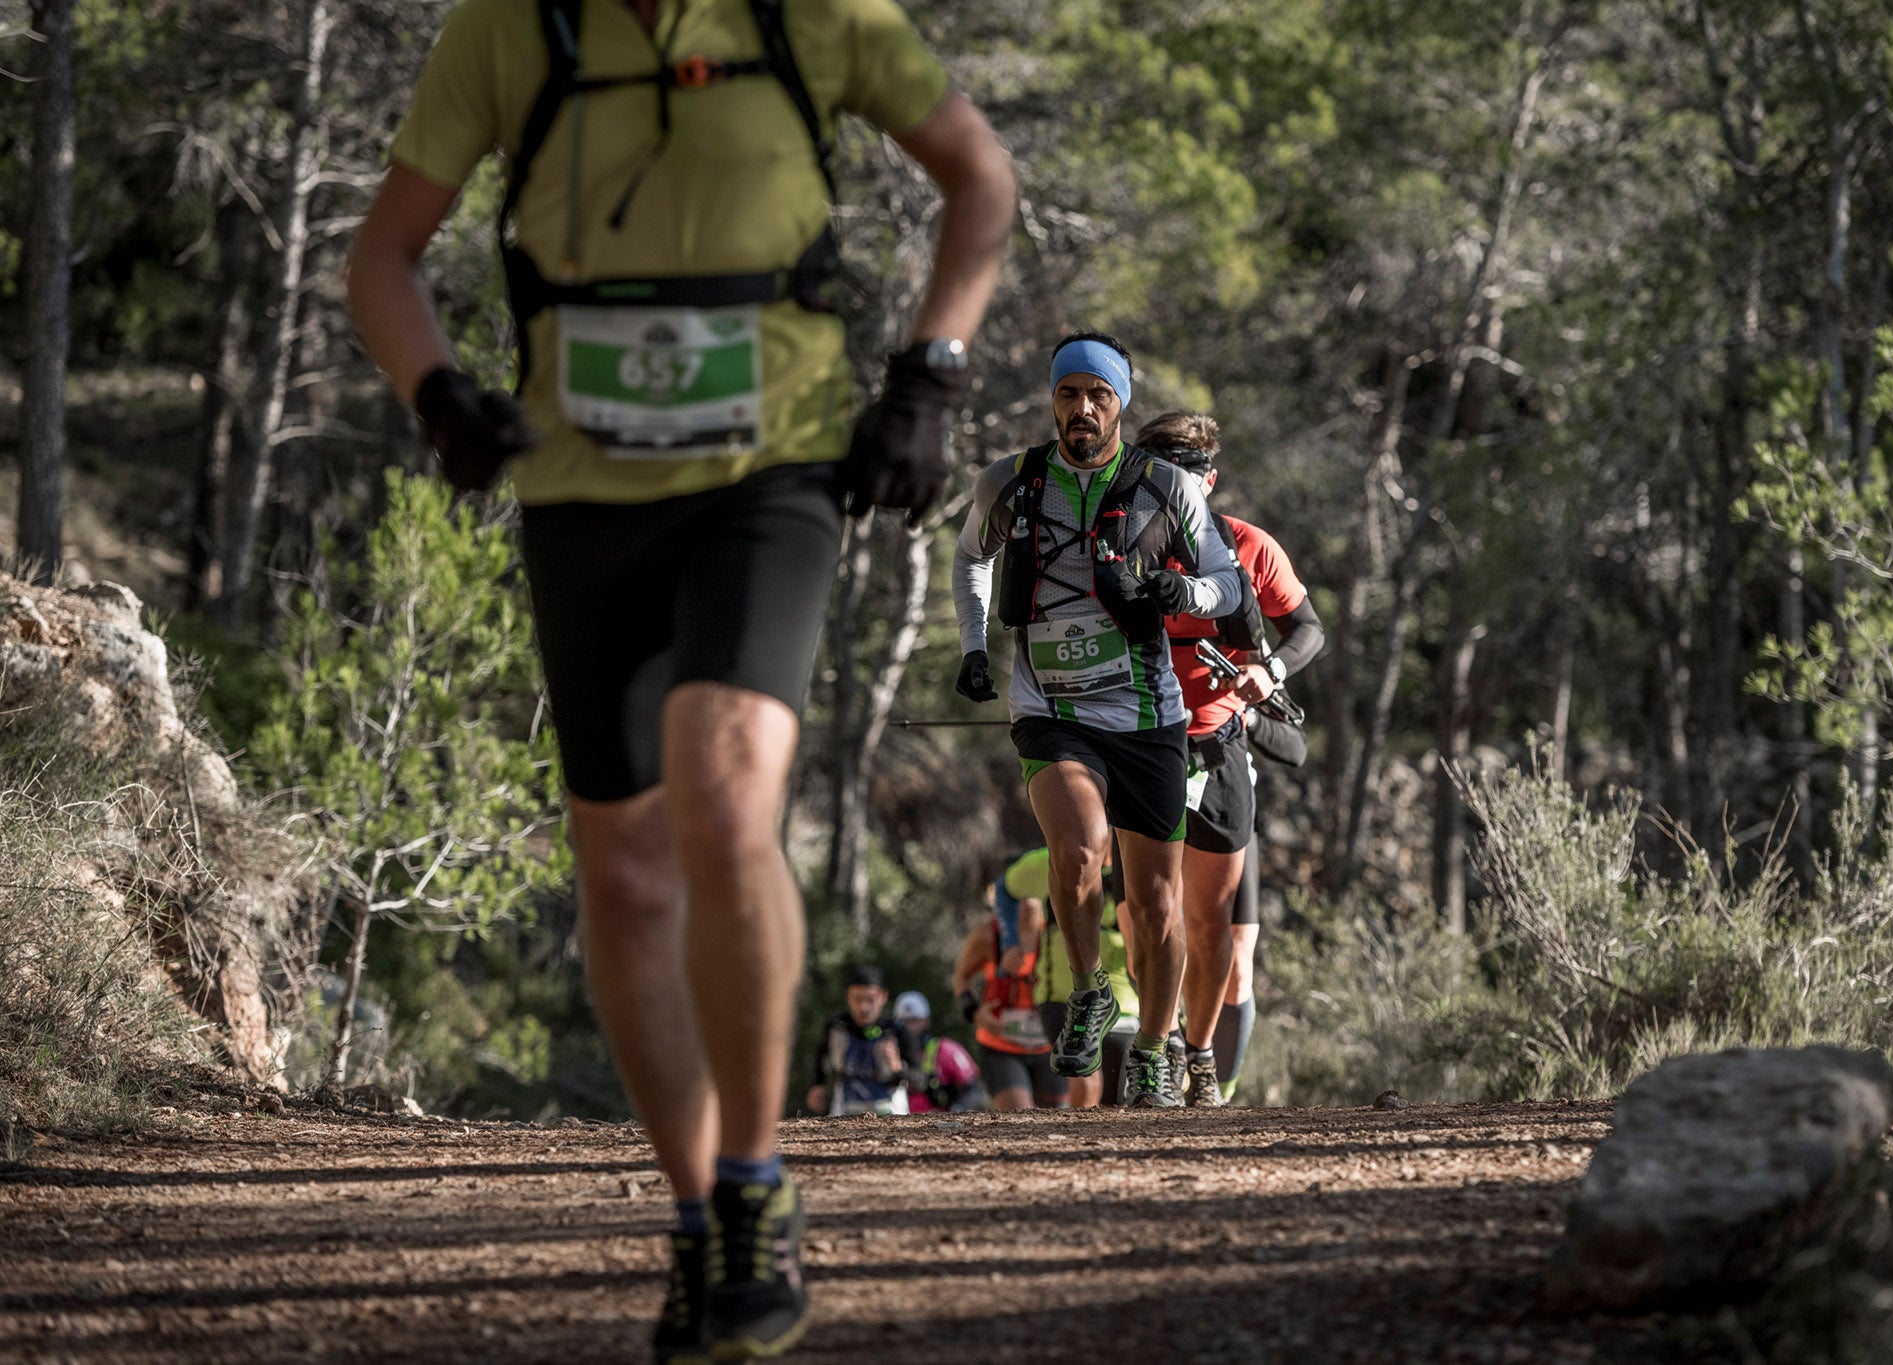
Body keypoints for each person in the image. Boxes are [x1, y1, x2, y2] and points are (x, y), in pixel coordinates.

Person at [346, 0, 1016, 1357]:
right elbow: (384, 257)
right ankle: (699, 1207)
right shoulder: (508, 29)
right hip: (581, 489)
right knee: (629, 869)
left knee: (722, 803)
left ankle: (759, 1184)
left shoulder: (812, 13)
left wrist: (932, 375)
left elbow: (978, 176)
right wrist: (436, 394)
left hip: (769, 477)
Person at [951, 332, 1241, 1108]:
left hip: (1148, 714)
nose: (1082, 409)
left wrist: (1187, 597)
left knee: (1155, 904)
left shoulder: (1167, 488)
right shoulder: (1009, 483)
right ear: (1053, 399)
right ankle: (1086, 990)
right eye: (1069, 393)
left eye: (1099, 395)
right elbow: (970, 557)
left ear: (1121, 403)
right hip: (1050, 705)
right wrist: (974, 645)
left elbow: (1227, 582)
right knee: (1077, 850)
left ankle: (1154, 1045)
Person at [1137, 412, 1325, 1107]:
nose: (1167, 499)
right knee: (1149, 914)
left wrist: (1268, 672)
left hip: (1218, 745)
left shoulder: (1247, 545)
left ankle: (1200, 1054)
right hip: (1140, 741)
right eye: (1156, 483)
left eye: (1182, 485)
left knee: (1211, 922)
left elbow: (1308, 628)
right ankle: (1151, 1052)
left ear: (1208, 482)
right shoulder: (1121, 547)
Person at [1014, 849, 1141, 1108]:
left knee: (1114, 1103)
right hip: (1063, 998)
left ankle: (1093, 1145)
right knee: (1082, 1072)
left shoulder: (1136, 867)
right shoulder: (1045, 860)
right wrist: (1014, 945)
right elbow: (1007, 890)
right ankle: (1078, 1139)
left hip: (1126, 1005)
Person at [950, 896, 1065, 1109]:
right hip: (1000, 1044)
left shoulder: (1059, 933)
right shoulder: (988, 934)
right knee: (1018, 1115)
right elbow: (961, 977)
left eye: (1033, 888)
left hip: (1050, 1044)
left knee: (1057, 1119)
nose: (1028, 900)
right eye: (1020, 890)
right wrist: (974, 1012)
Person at [805, 966, 910, 1116]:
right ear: (848, 996)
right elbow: (821, 1055)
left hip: (888, 1108)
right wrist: (818, 1084)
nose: (863, 1007)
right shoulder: (837, 1027)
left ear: (883, 996)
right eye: (857, 999)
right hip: (847, 1105)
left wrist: (900, 1068)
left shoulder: (896, 1030)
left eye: (870, 999)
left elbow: (920, 1080)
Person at [892, 991, 985, 1113]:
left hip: (940, 1125)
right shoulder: (889, 1052)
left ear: (926, 1021)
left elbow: (973, 1089)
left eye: (914, 1020)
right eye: (903, 1021)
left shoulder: (946, 1050)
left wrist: (956, 1111)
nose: (908, 1027)